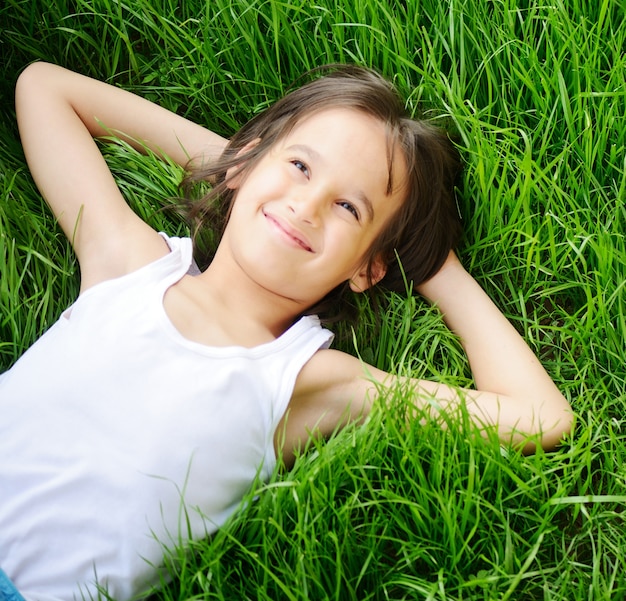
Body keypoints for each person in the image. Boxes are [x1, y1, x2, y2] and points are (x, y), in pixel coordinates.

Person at [0, 61, 572, 601]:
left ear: (367, 268)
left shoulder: (303, 379)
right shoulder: (129, 265)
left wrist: (433, 268)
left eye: (349, 206)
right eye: (300, 167)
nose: (306, 205)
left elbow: (540, 417)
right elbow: (45, 87)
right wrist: (240, 167)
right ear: (246, 164)